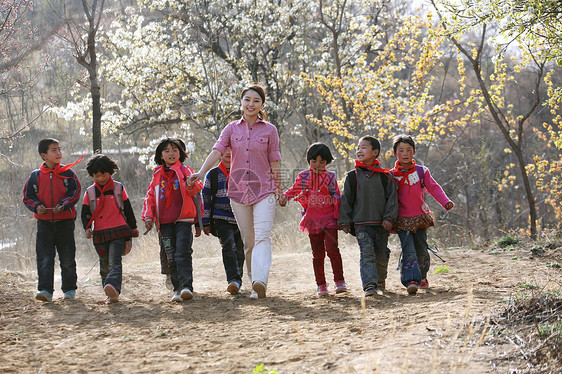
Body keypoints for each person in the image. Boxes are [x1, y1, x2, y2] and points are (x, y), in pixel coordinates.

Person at [188, 84, 282, 300]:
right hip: (238, 193)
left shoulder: (270, 130)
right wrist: (201, 172)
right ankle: (254, 284)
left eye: (256, 100)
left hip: (264, 190)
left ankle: (260, 280)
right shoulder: (231, 129)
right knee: (248, 241)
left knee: (262, 237)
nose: (251, 104)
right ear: (242, 102)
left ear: (261, 105)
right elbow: (217, 150)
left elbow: (275, 161)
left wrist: (280, 189)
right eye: (247, 99)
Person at [279, 143, 347, 296]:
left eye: (322, 162)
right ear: (309, 160)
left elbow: (337, 197)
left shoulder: (330, 176)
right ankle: (321, 284)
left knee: (333, 250)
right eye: (314, 161)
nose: (318, 165)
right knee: (318, 254)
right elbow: (294, 189)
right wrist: (285, 197)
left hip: (329, 219)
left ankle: (339, 281)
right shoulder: (303, 176)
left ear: (327, 162)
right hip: (312, 219)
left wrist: (339, 218)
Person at [390, 134, 454, 295]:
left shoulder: (421, 172)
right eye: (401, 150)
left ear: (414, 152)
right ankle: (411, 280)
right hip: (402, 220)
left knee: (421, 248)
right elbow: (386, 198)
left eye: (408, 150)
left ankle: (422, 276)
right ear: (394, 153)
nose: (405, 153)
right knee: (408, 249)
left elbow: (434, 188)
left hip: (420, 218)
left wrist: (445, 201)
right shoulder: (390, 175)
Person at [142, 138, 203, 302]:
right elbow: (150, 197)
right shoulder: (157, 175)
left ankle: (186, 287)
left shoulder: (186, 170)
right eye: (167, 151)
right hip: (164, 223)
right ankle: (176, 289)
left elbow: (197, 191)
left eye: (175, 150)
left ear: (181, 153)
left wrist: (190, 184)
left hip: (184, 220)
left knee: (182, 253)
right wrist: (148, 216)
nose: (171, 153)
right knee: (170, 256)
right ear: (161, 155)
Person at [23, 138, 82, 302]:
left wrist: (63, 204)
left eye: (59, 149)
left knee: (68, 257)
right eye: (53, 150)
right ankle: (45, 290)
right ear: (44, 155)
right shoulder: (35, 176)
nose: (58, 153)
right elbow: (27, 197)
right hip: (44, 224)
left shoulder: (68, 173)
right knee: (44, 258)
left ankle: (69, 290)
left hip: (65, 222)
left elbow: (75, 192)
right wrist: (37, 206)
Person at [340, 136, 398, 297]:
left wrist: (389, 218)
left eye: (363, 147)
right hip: (361, 223)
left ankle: (380, 280)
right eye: (358, 147)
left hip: (381, 224)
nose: (359, 150)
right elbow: (346, 200)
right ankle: (369, 285)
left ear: (375, 152)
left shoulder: (385, 176)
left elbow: (392, 199)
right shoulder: (352, 176)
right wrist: (344, 221)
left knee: (381, 254)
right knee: (367, 254)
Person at [81, 154, 139, 303]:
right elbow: (85, 213)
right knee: (104, 264)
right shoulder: (90, 192)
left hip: (118, 230)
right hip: (99, 233)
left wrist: (133, 227)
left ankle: (113, 286)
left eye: (103, 174)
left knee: (115, 261)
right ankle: (110, 294)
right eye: (97, 175)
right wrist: (87, 228)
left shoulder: (118, 188)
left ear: (110, 172)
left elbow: (127, 209)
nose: (100, 178)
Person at [201, 148, 245, 295]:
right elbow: (205, 198)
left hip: (241, 217)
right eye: (224, 149)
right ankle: (232, 279)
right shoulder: (212, 174)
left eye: (232, 149)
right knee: (228, 247)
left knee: (240, 249)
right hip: (220, 218)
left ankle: (237, 281)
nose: (228, 152)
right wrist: (205, 222)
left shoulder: (244, 171)